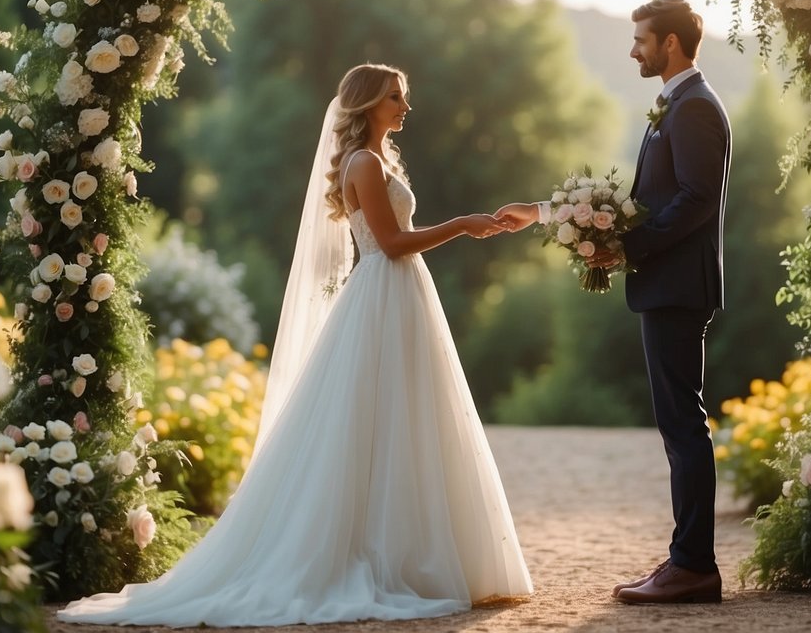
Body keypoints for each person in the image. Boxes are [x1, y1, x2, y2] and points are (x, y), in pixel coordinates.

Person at [58, 63, 533, 626]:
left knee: (407, 418)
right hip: (384, 291)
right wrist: (461, 225)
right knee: (371, 420)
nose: (404, 106)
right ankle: (379, 557)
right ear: (366, 105)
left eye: (402, 97)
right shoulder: (363, 162)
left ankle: (418, 553)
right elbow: (391, 242)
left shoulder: (379, 160)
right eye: (394, 98)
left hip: (402, 297)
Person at [497, 0, 731, 604]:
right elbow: (652, 200)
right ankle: (687, 559)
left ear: (671, 44)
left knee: (683, 424)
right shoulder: (677, 104)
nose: (633, 50)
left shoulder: (695, 107)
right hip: (669, 283)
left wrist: (629, 248)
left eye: (642, 40)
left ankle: (694, 566)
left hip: (678, 285)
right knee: (678, 423)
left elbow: (697, 200)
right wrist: (551, 215)